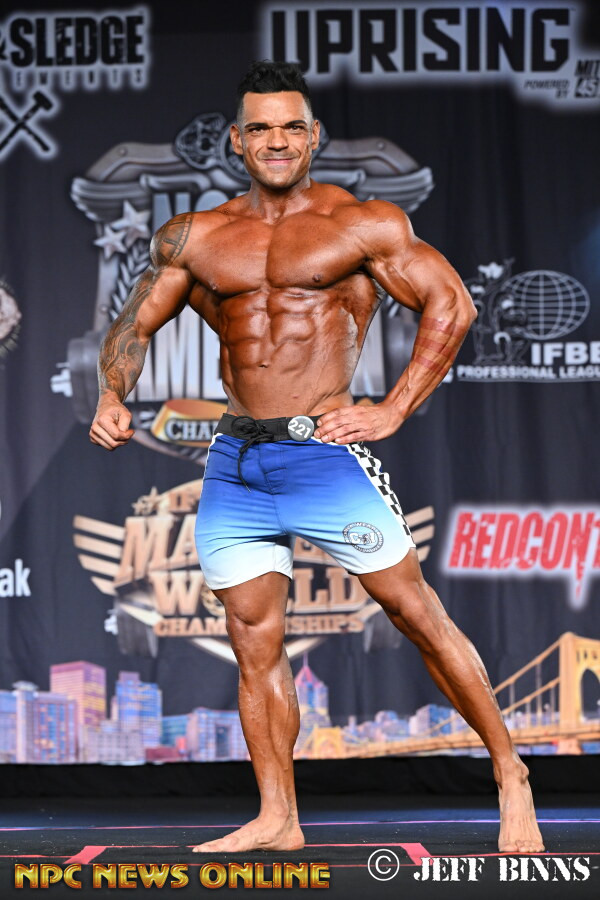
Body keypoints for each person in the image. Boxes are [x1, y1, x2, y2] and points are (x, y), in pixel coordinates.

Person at [90, 60, 544, 855]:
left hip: (322, 454)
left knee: (415, 614)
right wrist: (110, 393)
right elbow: (135, 323)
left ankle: (511, 771)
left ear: (314, 136)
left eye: (292, 127)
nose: (277, 140)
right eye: (260, 128)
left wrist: (393, 407)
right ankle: (279, 817)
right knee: (252, 638)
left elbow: (452, 303)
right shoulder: (196, 236)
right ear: (237, 141)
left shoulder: (361, 224)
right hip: (237, 461)